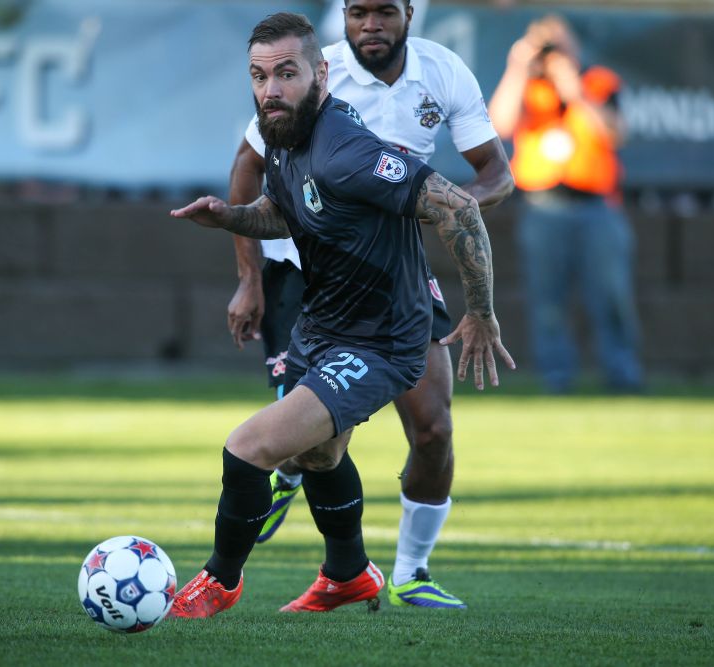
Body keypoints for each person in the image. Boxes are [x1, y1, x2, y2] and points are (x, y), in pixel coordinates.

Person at [169, 12, 513, 618]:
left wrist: (481, 311)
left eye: (286, 74)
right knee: (318, 456)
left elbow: (458, 203)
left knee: (248, 446)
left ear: (320, 75)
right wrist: (232, 217)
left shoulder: (344, 150)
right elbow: (287, 210)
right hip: (326, 322)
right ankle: (349, 575)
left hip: (381, 336)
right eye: (258, 76)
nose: (270, 90)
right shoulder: (284, 134)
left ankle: (219, 582)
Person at [488, 14, 643, 393]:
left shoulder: (598, 81)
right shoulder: (526, 86)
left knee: (611, 296)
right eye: (546, 44)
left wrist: (573, 88)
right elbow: (498, 126)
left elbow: (615, 133)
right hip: (543, 208)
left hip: (597, 208)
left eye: (560, 43)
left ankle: (622, 376)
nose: (553, 52)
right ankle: (556, 379)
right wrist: (517, 67)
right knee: (547, 301)